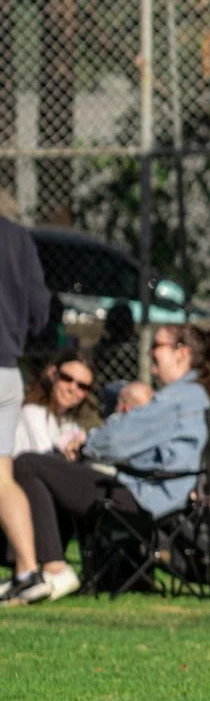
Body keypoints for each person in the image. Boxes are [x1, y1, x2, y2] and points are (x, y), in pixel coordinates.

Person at [6, 325, 210, 606]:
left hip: (142, 499)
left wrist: (86, 444)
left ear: (181, 353)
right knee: (48, 469)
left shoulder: (178, 398)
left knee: (28, 464)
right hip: (153, 495)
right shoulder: (192, 396)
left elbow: (118, 440)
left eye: (157, 346)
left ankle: (53, 569)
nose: (150, 353)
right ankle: (34, 570)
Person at [0, 203, 50, 603]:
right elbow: (39, 309)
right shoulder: (18, 237)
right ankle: (28, 570)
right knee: (2, 477)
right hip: (7, 370)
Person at [13, 355, 95, 462]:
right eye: (66, 378)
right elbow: (46, 463)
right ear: (52, 374)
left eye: (82, 386)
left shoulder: (70, 424)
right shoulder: (33, 413)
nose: (72, 388)